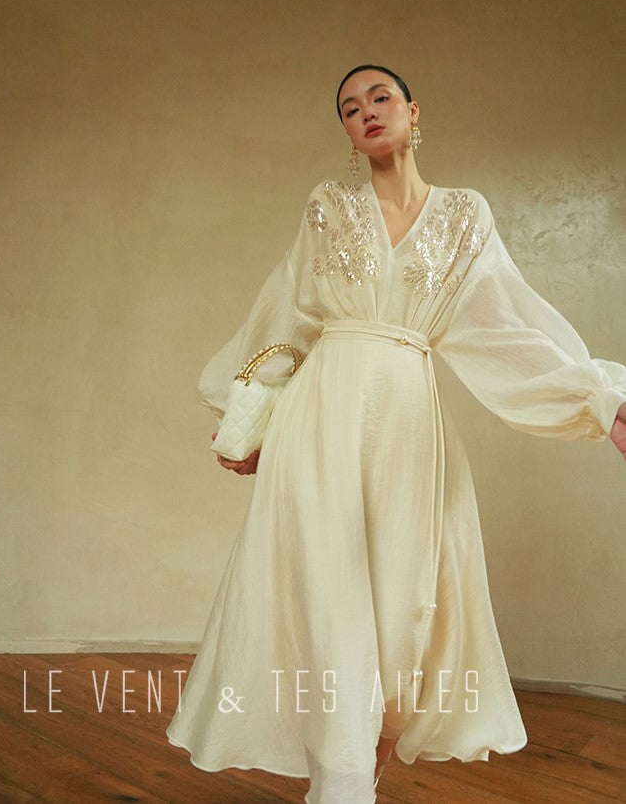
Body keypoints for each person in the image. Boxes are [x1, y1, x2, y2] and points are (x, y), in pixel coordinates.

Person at [166, 65, 626, 803]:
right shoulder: (328, 205)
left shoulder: (466, 215)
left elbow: (505, 325)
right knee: (327, 598)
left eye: (379, 97)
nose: (366, 112)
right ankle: (342, 786)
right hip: (321, 418)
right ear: (348, 134)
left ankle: (357, 772)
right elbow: (286, 312)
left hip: (409, 423)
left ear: (414, 110)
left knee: (405, 610)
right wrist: (245, 422)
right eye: (350, 108)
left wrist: (596, 396)